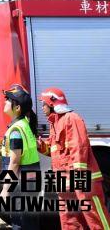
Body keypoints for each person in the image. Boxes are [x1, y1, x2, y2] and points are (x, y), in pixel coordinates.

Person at [38, 87, 109, 230]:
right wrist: (40, 146)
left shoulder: (71, 118)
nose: (42, 107)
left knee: (95, 218)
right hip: (64, 182)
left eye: (43, 104)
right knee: (69, 221)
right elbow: (56, 152)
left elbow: (79, 147)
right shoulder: (55, 123)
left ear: (52, 103)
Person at [0, 84, 40, 230]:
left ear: (17, 108)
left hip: (20, 186)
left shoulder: (16, 130)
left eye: (9, 100)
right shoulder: (24, 124)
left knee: (19, 223)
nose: (5, 102)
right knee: (30, 223)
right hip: (30, 183)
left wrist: (5, 190)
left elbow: (14, 163)